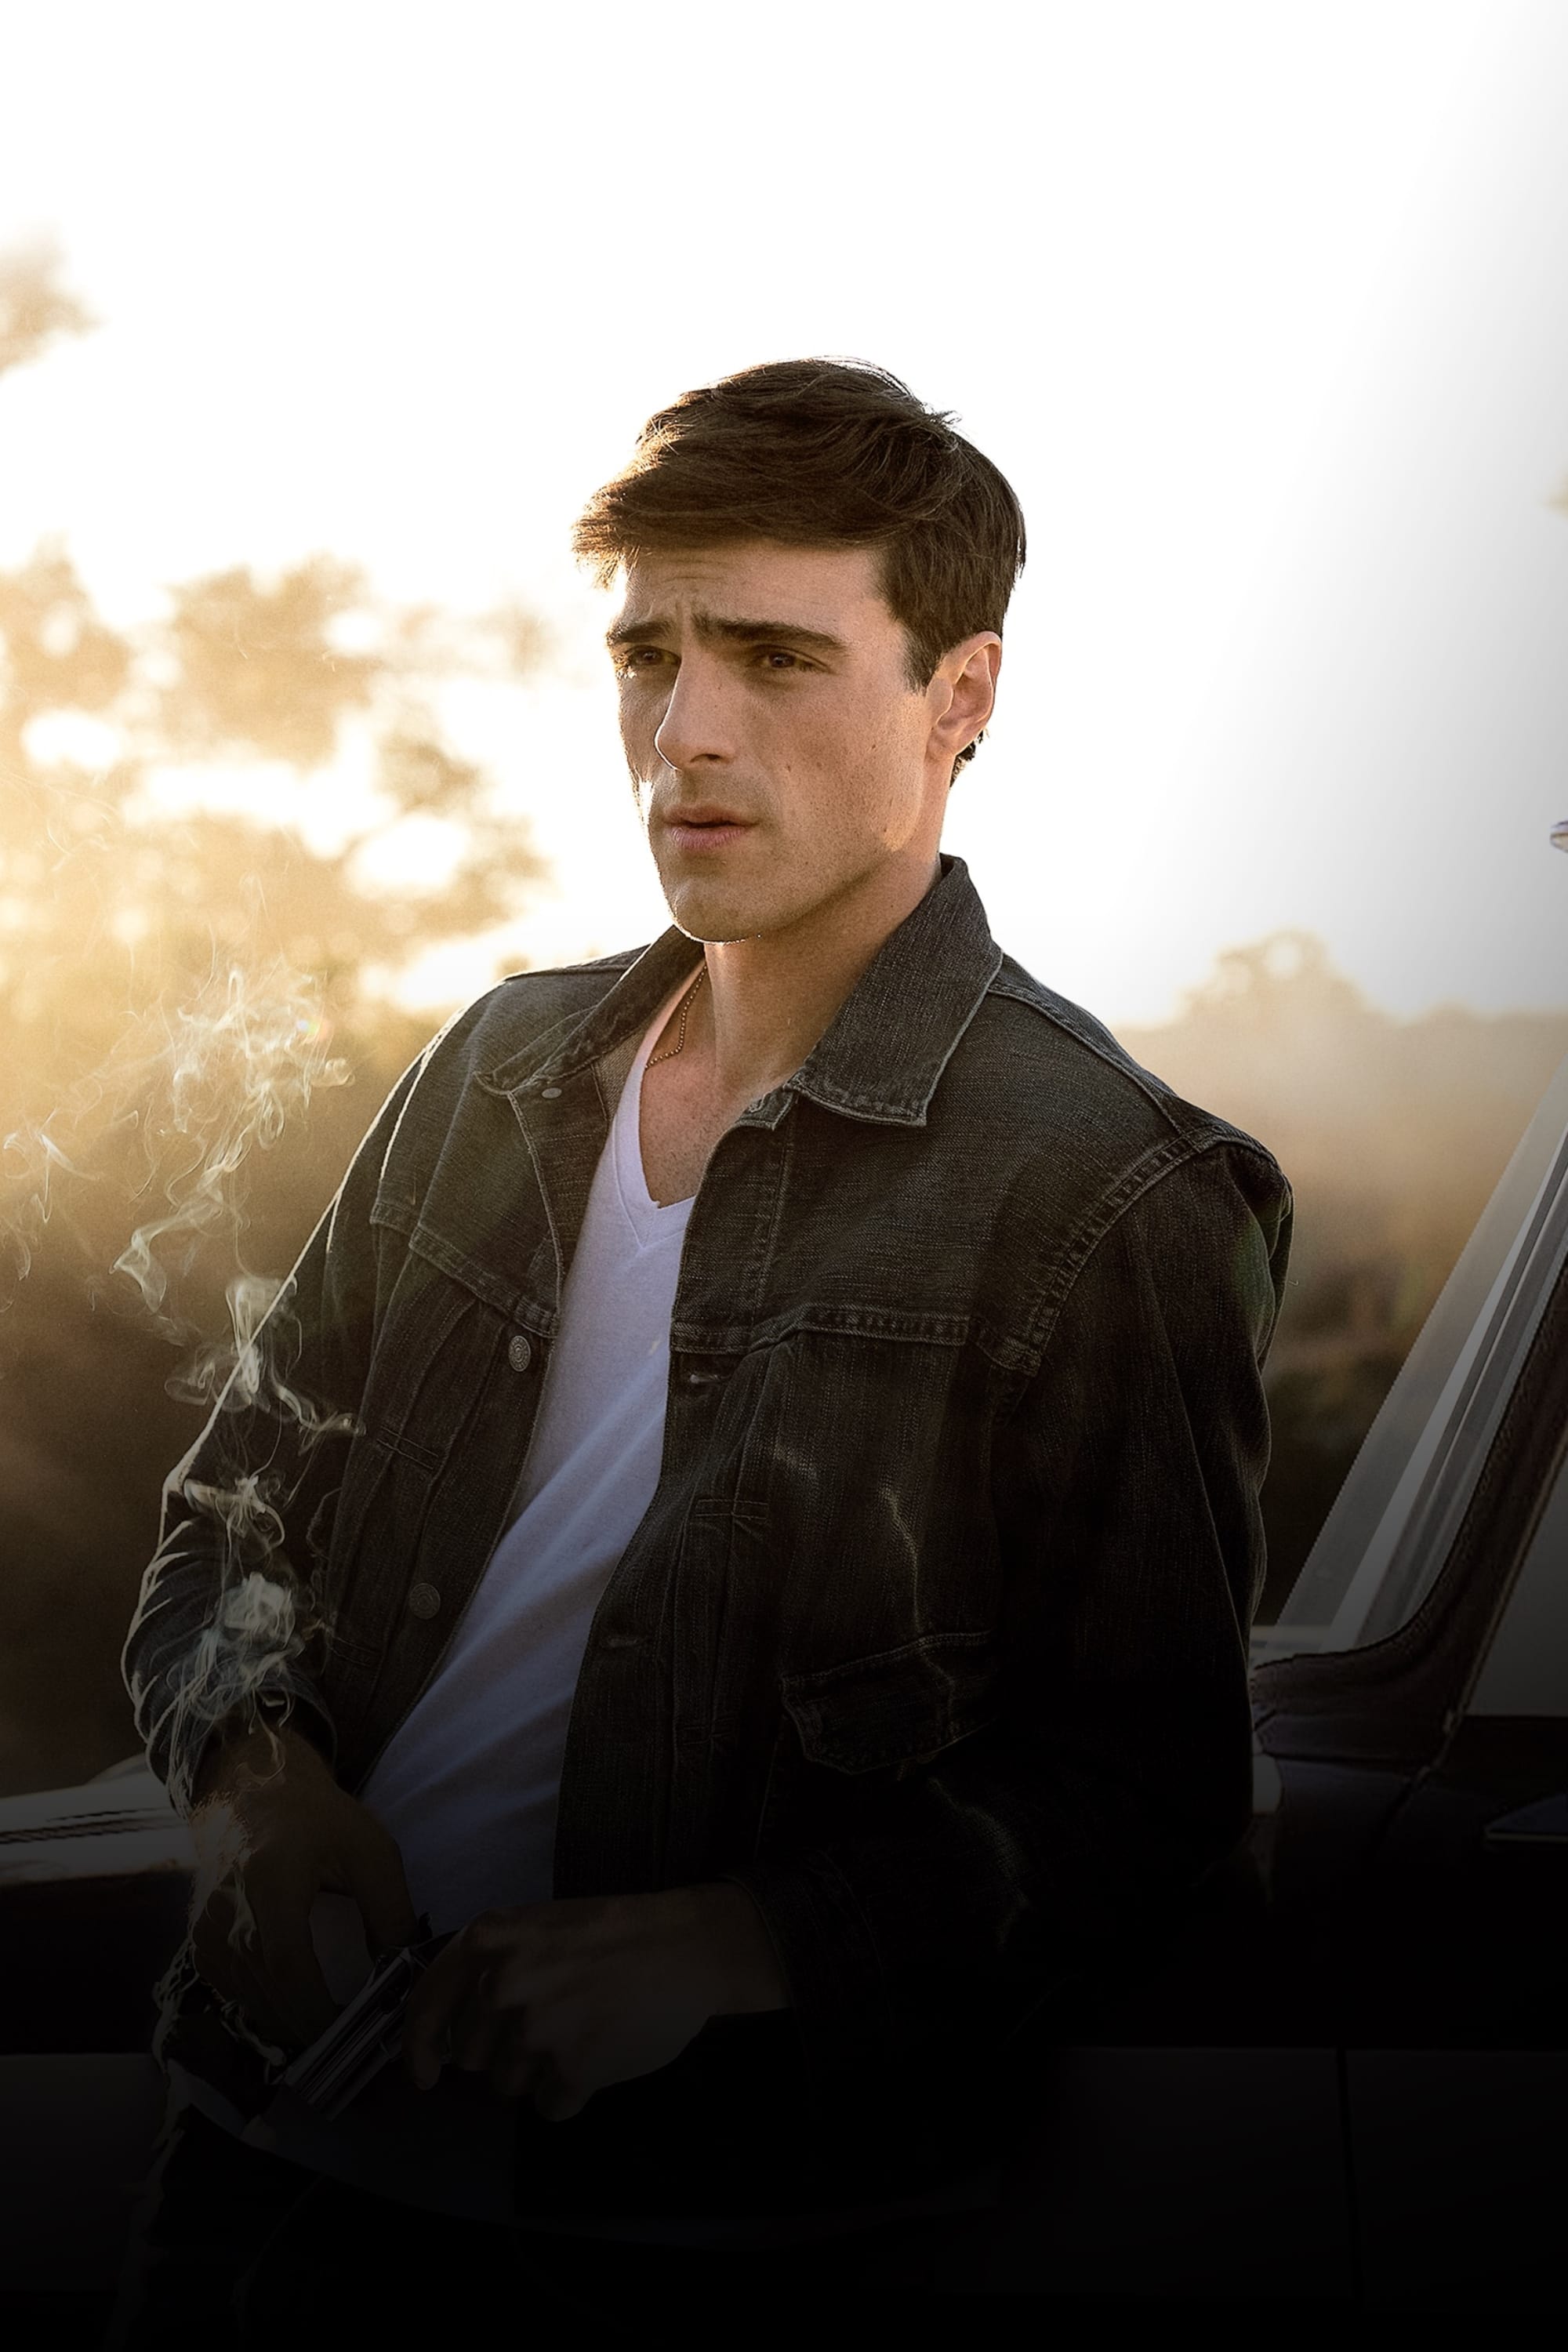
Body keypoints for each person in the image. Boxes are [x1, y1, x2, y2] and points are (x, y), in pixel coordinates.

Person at [111, 357, 1291, 2336]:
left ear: (962, 696)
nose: (686, 733)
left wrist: (735, 1947)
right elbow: (227, 1519)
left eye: (774, 657)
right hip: (260, 2172)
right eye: (646, 656)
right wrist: (249, 1785)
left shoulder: (1114, 1189)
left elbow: (1144, 1802)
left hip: (718, 2241)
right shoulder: (498, 1066)